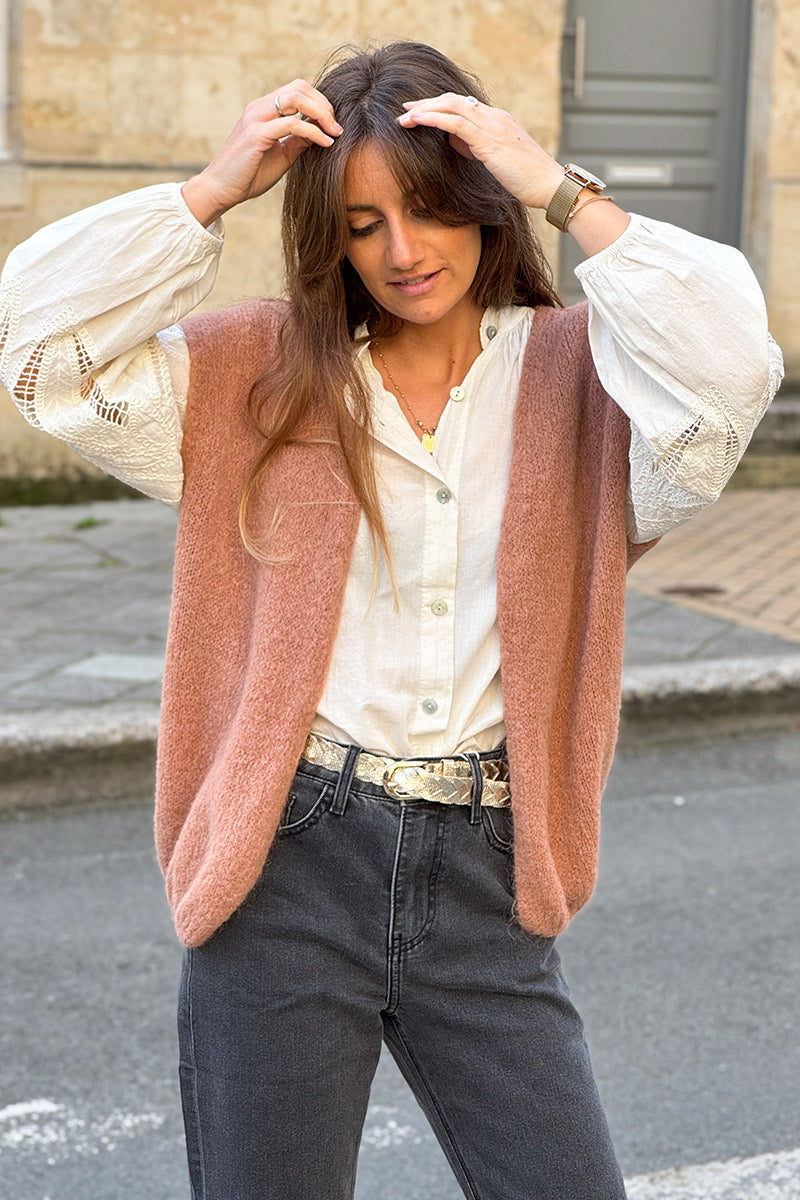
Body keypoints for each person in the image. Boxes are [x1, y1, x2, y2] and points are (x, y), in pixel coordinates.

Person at [0, 39, 783, 1200]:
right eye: (361, 225)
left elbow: (731, 373)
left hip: (486, 876)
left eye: (428, 208)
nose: (402, 253)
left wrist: (555, 186)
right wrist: (210, 192)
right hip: (286, 863)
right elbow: (38, 355)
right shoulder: (256, 374)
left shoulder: (590, 384)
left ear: (482, 200)